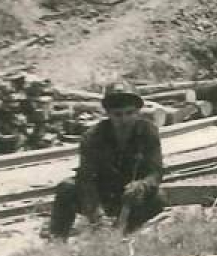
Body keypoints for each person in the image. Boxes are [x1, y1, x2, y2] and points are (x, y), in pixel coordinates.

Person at [45, 81, 164, 239]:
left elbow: (155, 172)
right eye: (118, 114)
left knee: (159, 197)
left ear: (138, 112)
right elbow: (86, 179)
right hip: (102, 194)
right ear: (108, 114)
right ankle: (57, 239)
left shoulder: (148, 132)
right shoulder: (93, 137)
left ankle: (127, 233)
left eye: (130, 113)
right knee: (67, 188)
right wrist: (97, 216)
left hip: (132, 196)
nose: (125, 120)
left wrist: (142, 186)